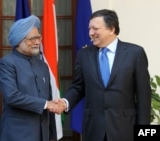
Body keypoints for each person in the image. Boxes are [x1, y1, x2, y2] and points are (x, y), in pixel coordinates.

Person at [54, 9, 151, 141]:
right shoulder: (84, 55)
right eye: (89, 29)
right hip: (93, 130)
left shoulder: (135, 53)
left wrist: (145, 135)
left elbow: (144, 97)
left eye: (95, 29)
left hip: (125, 130)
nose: (90, 33)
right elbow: (78, 87)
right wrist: (65, 102)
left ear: (111, 29)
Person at [0, 15, 59, 141]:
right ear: (19, 41)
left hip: (42, 135)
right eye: (32, 39)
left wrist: (52, 136)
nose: (37, 42)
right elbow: (12, 97)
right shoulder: (7, 63)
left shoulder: (42, 66)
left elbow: (49, 100)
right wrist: (46, 104)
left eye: (38, 38)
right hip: (17, 135)